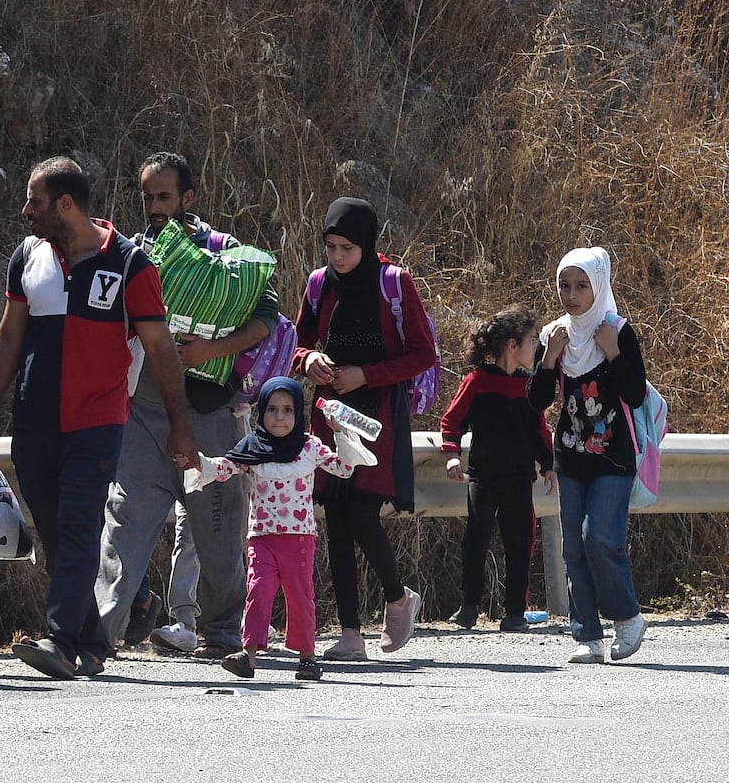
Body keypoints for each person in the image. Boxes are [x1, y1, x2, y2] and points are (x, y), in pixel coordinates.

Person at [0, 156, 198, 680]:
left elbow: (161, 351)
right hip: (34, 419)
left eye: (35, 202)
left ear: (66, 204)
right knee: (58, 534)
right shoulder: (27, 256)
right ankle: (99, 635)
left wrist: (179, 425)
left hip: (99, 420)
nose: (25, 212)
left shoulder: (130, 265)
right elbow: (7, 339)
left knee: (78, 524)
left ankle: (62, 642)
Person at [95, 151, 280, 659]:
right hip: (144, 410)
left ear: (188, 199)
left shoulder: (224, 258)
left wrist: (206, 351)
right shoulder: (132, 255)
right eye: (148, 197)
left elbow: (269, 316)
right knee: (124, 522)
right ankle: (96, 636)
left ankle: (223, 634)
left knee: (218, 529)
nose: (155, 207)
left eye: (165, 197)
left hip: (209, 416)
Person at [292, 196, 435, 660]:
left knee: (362, 513)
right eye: (330, 247)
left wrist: (366, 375)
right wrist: (309, 359)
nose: (337, 257)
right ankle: (350, 633)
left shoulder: (394, 282)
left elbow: (421, 353)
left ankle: (397, 598)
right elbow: (299, 341)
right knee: (335, 517)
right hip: (330, 412)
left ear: (367, 245)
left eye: (347, 248)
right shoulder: (319, 284)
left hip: (376, 414)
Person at [185, 377, 373, 681]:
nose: (280, 417)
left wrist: (340, 432)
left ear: (298, 412)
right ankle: (248, 656)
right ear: (263, 413)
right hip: (262, 538)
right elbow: (226, 468)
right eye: (272, 409)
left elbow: (343, 467)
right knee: (257, 593)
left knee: (300, 597)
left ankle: (307, 658)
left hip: (299, 539)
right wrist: (198, 462)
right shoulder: (253, 447)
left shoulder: (310, 447)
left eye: (288, 409)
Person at [527, 246, 649, 663]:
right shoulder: (553, 335)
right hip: (571, 454)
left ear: (598, 285)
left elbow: (634, 393)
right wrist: (549, 360)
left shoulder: (617, 329)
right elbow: (536, 401)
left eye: (581, 286)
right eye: (564, 285)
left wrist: (612, 351)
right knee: (572, 548)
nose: (572, 295)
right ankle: (588, 636)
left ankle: (628, 618)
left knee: (598, 536)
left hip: (614, 455)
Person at [439, 306, 557, 632]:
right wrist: (452, 454)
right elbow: (452, 420)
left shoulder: (529, 385)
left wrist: (548, 465)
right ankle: (469, 607)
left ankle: (515, 612)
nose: (536, 348)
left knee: (520, 542)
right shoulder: (477, 381)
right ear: (512, 345)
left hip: (520, 477)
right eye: (532, 341)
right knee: (476, 538)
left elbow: (539, 431)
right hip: (483, 475)